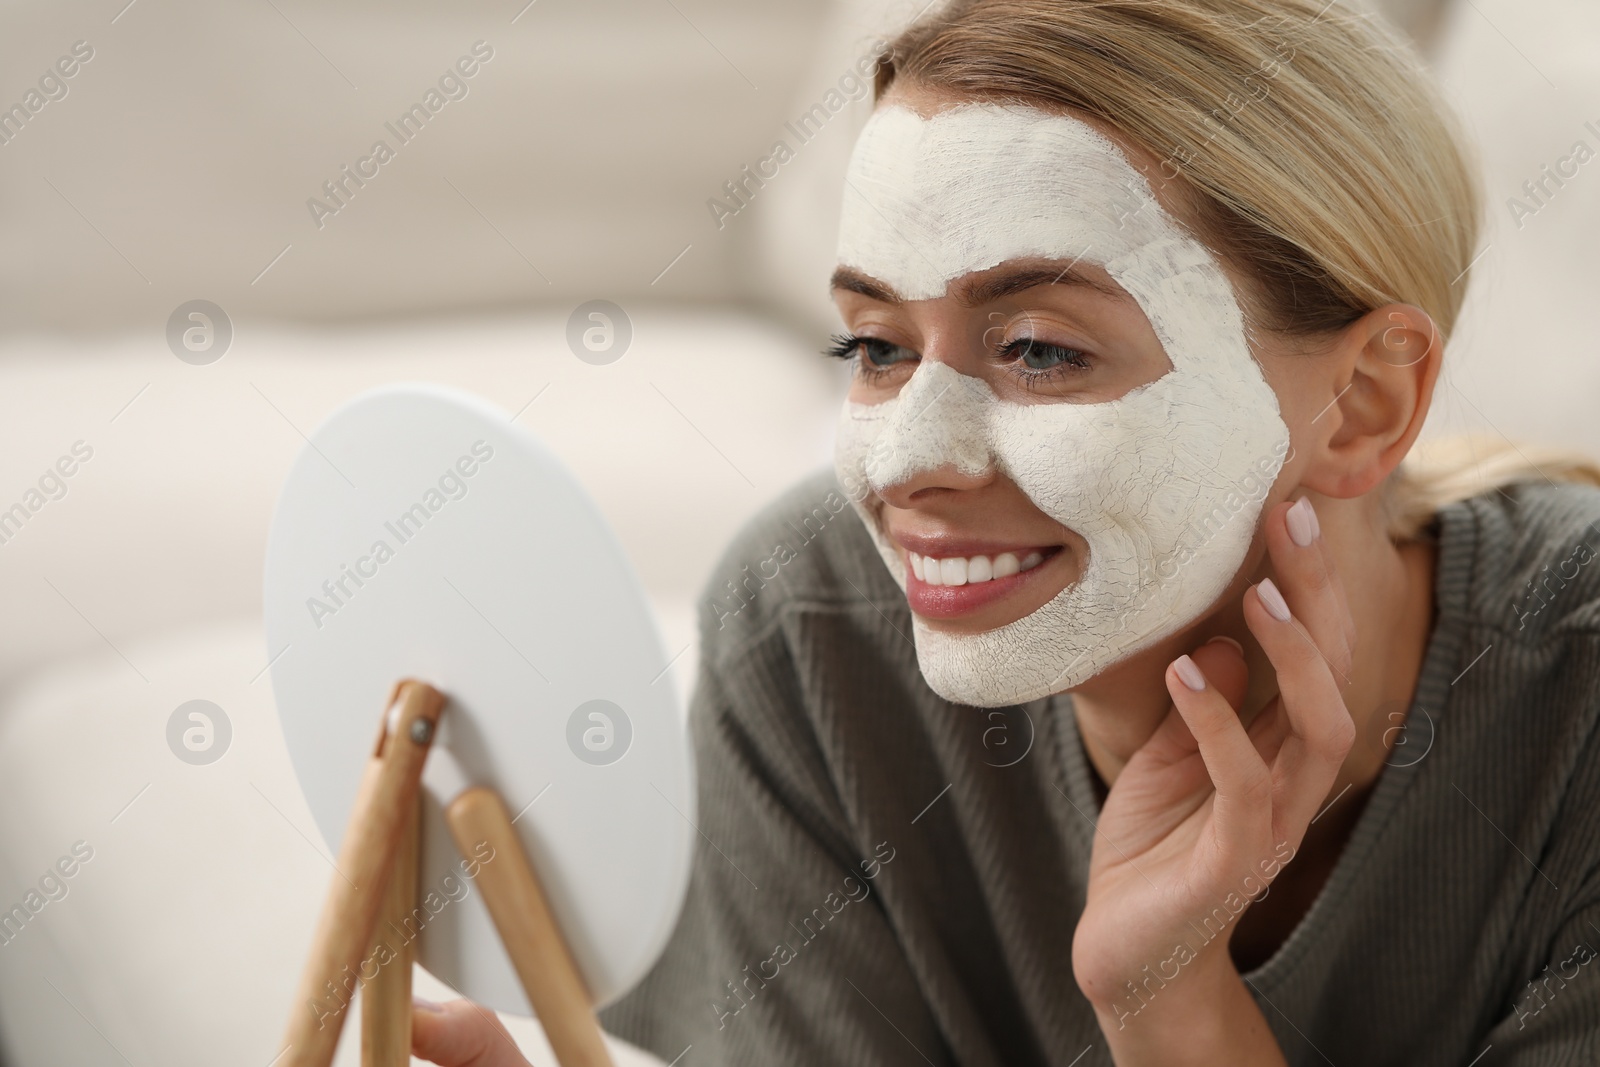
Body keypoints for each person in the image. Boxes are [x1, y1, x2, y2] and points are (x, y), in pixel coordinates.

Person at [413, 0, 1600, 1063]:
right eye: (874, 346)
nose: (908, 460)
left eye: (1039, 348)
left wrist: (1169, 1004)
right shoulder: (814, 630)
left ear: (1364, 402)